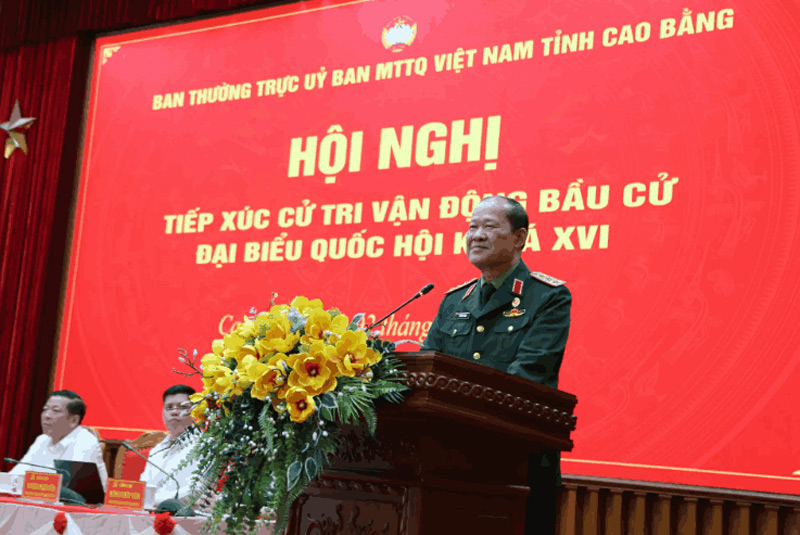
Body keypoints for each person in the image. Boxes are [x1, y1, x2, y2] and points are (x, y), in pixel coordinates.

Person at [422, 195, 571, 535]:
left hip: (516, 465)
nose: (476, 235)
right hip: (448, 464)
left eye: (489, 226)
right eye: (472, 227)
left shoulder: (548, 297)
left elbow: (529, 374)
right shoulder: (452, 301)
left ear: (519, 238)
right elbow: (427, 372)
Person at [7, 390, 108, 491]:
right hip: (41, 500)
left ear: (73, 420)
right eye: (45, 409)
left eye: (55, 411)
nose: (47, 415)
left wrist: (30, 483)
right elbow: (14, 476)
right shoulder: (42, 440)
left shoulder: (85, 441)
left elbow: (70, 486)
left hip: (79, 504)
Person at [141, 384, 200, 506]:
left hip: (186, 517)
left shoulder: (204, 446)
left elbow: (194, 491)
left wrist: (153, 501)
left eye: (182, 407)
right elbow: (144, 487)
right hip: (150, 514)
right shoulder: (156, 450)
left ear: (195, 411)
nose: (174, 412)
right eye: (169, 407)